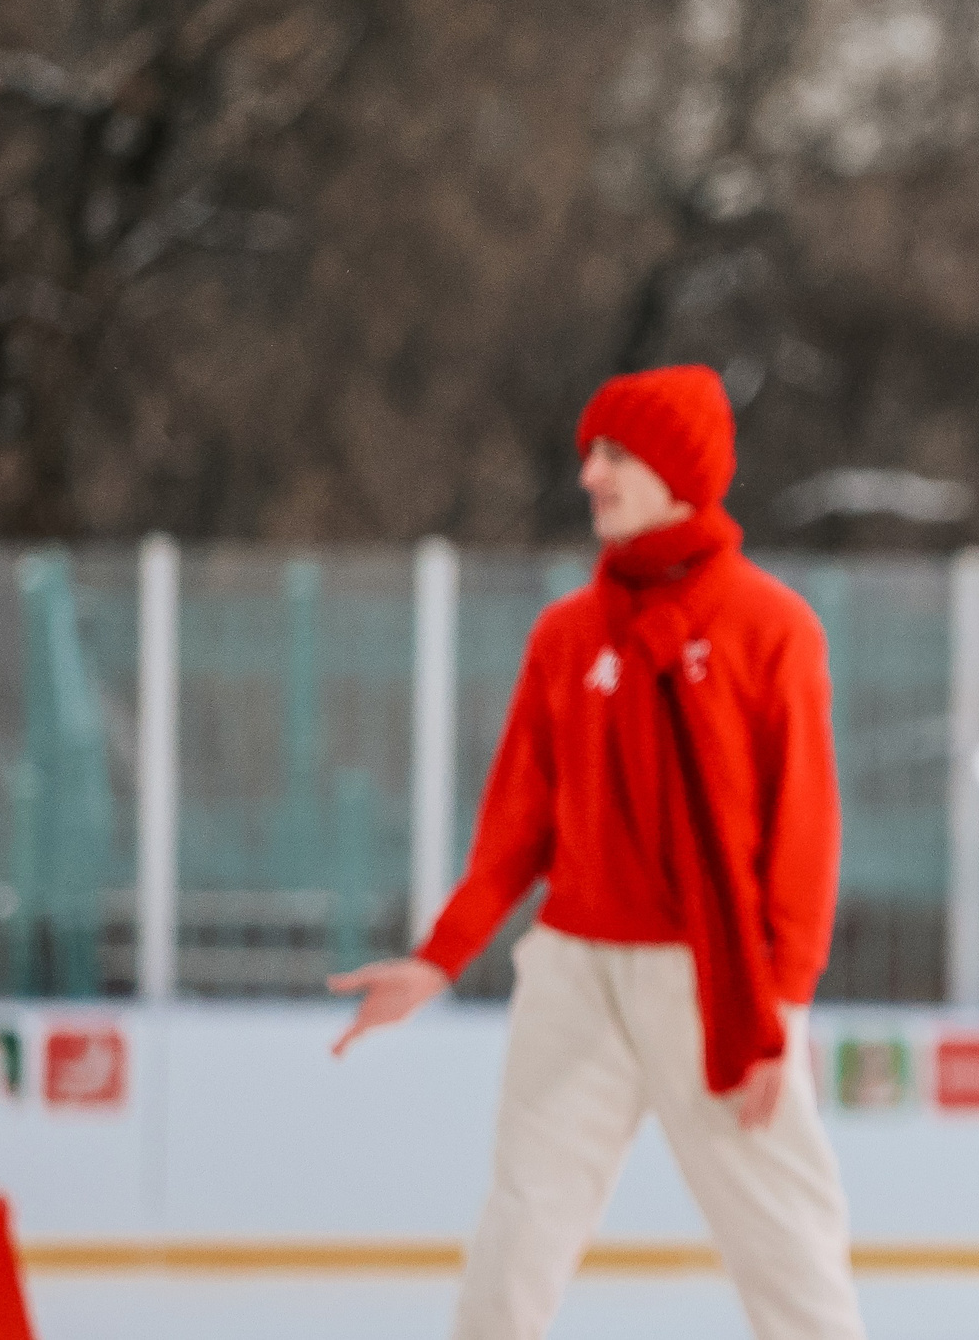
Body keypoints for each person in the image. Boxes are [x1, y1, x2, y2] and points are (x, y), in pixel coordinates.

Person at [328, 366, 864, 1340]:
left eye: (614, 453)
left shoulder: (770, 625)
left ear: (676, 467)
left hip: (719, 985)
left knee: (787, 1251)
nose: (591, 475)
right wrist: (438, 956)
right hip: (573, 972)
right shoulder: (566, 634)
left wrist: (779, 1002)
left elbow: (804, 833)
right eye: (589, 454)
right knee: (520, 1231)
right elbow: (517, 826)